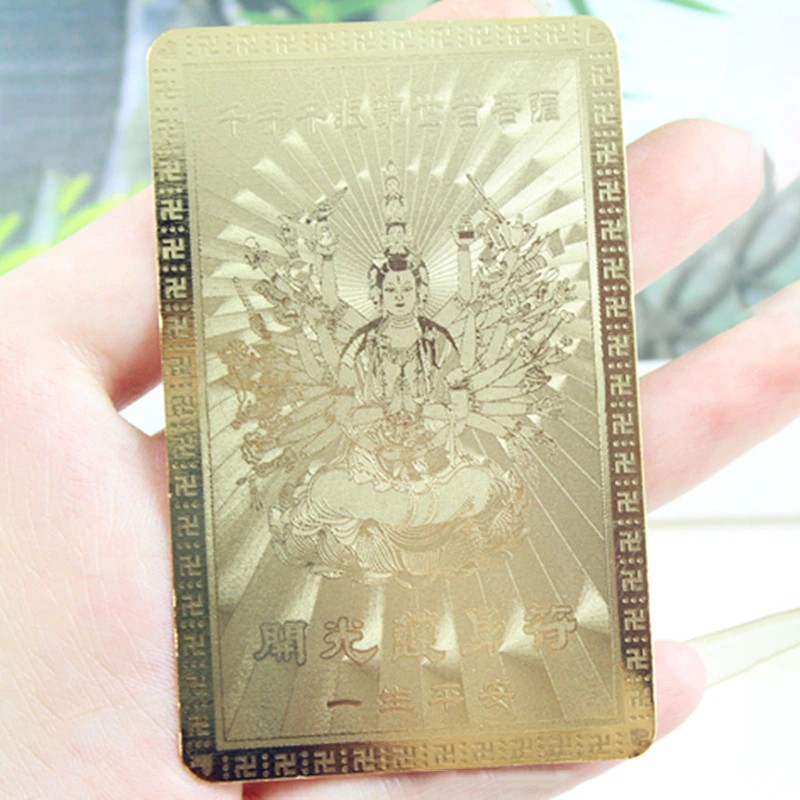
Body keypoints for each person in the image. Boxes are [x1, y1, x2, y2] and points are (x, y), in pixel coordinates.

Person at [0, 0, 796, 797]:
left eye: (413, 285)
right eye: (390, 287)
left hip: (439, 469)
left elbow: (470, 402)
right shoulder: (357, 344)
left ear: (423, 287)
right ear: (377, 291)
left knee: (484, 487)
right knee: (328, 495)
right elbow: (339, 404)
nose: (403, 295)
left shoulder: (444, 341)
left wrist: (447, 418)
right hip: (373, 472)